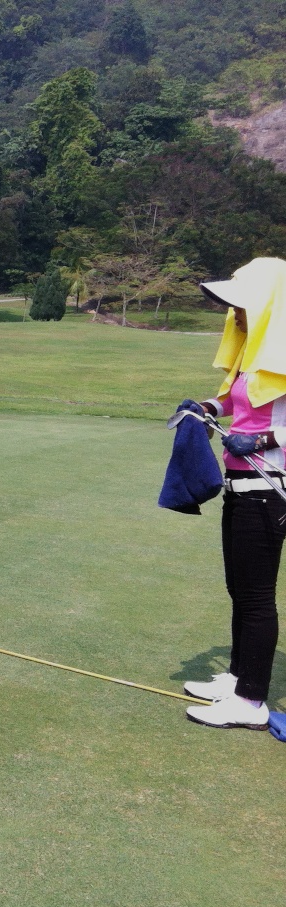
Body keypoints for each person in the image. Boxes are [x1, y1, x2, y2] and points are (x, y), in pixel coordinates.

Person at [178, 256, 286, 729]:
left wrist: (261, 441)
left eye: (242, 306)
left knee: (257, 597)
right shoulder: (256, 355)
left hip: (268, 488)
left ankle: (250, 702)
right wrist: (208, 406)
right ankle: (239, 678)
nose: (234, 314)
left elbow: (269, 427)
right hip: (240, 486)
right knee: (239, 589)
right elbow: (240, 402)